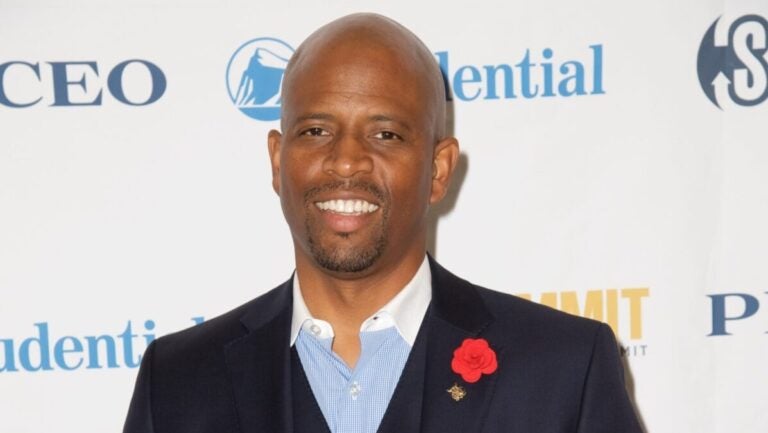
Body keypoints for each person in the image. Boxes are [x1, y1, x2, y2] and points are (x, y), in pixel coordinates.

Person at [123, 13, 643, 433]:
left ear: (438, 170)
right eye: (316, 130)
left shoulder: (563, 368)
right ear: (277, 160)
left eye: (386, 135)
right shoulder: (178, 382)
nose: (346, 161)